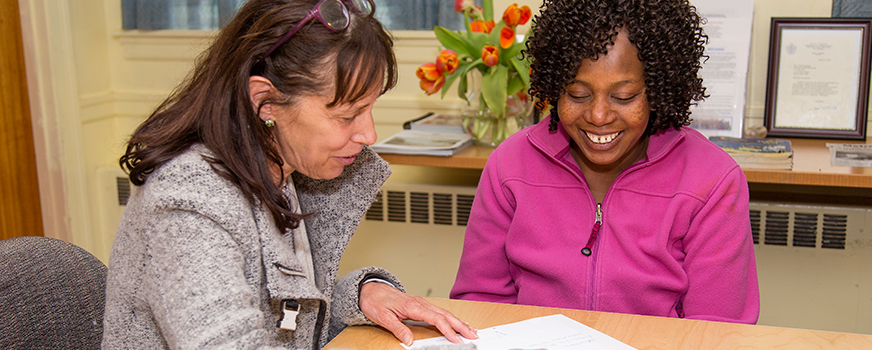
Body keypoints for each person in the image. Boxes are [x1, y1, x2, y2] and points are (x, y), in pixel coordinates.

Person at [101, 0, 478, 348]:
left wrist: (361, 295)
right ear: (265, 102)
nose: (369, 135)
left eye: (369, 108)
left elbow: (274, 313)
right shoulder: (189, 202)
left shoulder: (280, 167)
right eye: (346, 116)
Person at [450, 0, 760, 324]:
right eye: (577, 94)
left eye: (624, 97)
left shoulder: (712, 181)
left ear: (660, 88)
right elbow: (479, 304)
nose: (598, 116)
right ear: (554, 86)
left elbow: (720, 330)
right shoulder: (510, 166)